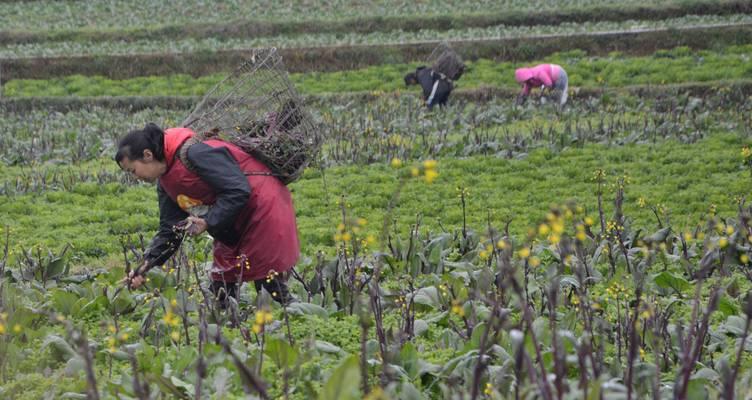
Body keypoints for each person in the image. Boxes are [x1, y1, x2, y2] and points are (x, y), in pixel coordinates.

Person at [115, 123, 299, 305]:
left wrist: (208, 221)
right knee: (222, 284)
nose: (135, 178)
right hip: (231, 217)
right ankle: (228, 330)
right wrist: (145, 266)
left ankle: (297, 322)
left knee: (268, 283)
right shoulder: (165, 181)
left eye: (133, 171)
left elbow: (237, 190)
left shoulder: (195, 153)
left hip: (263, 206)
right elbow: (170, 230)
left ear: (148, 155)